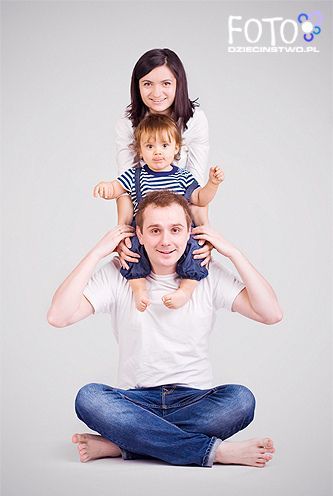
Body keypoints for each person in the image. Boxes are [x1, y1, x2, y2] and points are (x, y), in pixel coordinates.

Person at [47, 191, 283, 468]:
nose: (166, 240)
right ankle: (215, 453)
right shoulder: (118, 272)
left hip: (195, 398)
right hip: (136, 399)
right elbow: (58, 316)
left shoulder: (208, 275)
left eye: (175, 229)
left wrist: (233, 252)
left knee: (240, 400)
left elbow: (271, 313)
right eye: (155, 230)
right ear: (140, 233)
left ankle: (125, 443)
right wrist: (98, 251)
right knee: (90, 398)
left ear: (189, 232)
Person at [93, 114, 224, 311]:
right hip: (146, 231)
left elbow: (199, 199)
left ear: (176, 149)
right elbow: (117, 188)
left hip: (176, 231)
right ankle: (139, 289)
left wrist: (212, 184)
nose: (157, 152)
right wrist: (105, 188)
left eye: (164, 146)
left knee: (196, 249)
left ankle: (186, 289)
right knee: (130, 250)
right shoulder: (135, 175)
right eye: (150, 146)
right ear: (140, 151)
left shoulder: (183, 177)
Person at [114, 48, 211, 272]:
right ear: (137, 86)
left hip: (182, 214)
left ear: (179, 83)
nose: (156, 92)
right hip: (142, 215)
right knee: (132, 268)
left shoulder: (195, 120)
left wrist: (205, 233)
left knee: (194, 265)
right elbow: (124, 185)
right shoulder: (127, 122)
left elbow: (195, 184)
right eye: (147, 84)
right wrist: (121, 233)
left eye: (166, 83)